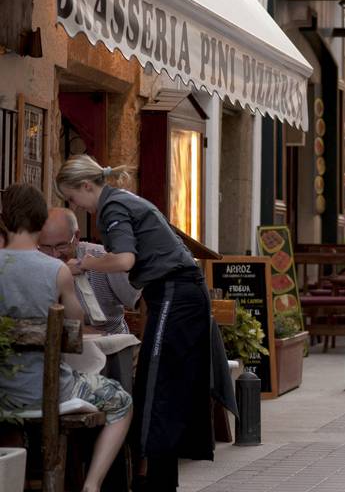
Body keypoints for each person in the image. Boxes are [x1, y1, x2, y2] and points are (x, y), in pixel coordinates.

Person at [56, 155, 214, 489]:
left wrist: (85, 264)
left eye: (72, 198)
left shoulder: (111, 208)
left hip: (174, 292)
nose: (77, 205)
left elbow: (126, 259)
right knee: (164, 383)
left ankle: (155, 480)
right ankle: (157, 476)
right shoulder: (122, 201)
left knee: (157, 384)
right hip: (179, 291)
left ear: (87, 186)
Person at [0, 184, 132, 492]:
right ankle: (92, 484)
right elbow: (76, 326)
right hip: (46, 393)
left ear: (3, 221)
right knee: (122, 401)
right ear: (40, 222)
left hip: (3, 391)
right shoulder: (55, 271)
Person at [39, 207, 141, 335]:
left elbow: (142, 301)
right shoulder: (35, 264)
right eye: (46, 247)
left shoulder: (104, 258)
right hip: (59, 343)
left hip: (110, 343)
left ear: (76, 237)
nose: (54, 254)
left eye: (61, 245)